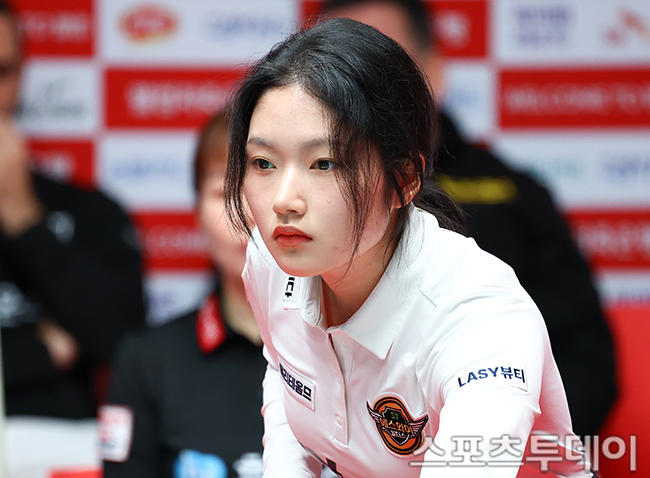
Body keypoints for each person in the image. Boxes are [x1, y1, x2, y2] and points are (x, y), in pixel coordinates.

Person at [226, 17, 592, 478]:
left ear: (403, 180)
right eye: (263, 163)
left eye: (324, 163)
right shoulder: (274, 257)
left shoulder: (479, 317)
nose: (283, 200)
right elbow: (285, 371)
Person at [322, 0, 617, 439]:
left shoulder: (513, 195)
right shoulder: (290, 196)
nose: (357, 91)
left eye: (380, 67)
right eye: (336, 72)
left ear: (434, 72)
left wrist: (497, 447)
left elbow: (582, 355)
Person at [101, 110, 267, 478]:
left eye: (264, 189)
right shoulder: (147, 361)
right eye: (224, 193)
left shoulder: (358, 348)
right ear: (196, 214)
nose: (246, 215)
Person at [0, 0, 145, 418]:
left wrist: (25, 219)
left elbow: (126, 343)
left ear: (21, 77)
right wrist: (42, 353)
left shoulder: (87, 209)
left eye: (0, 71)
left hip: (60, 441)